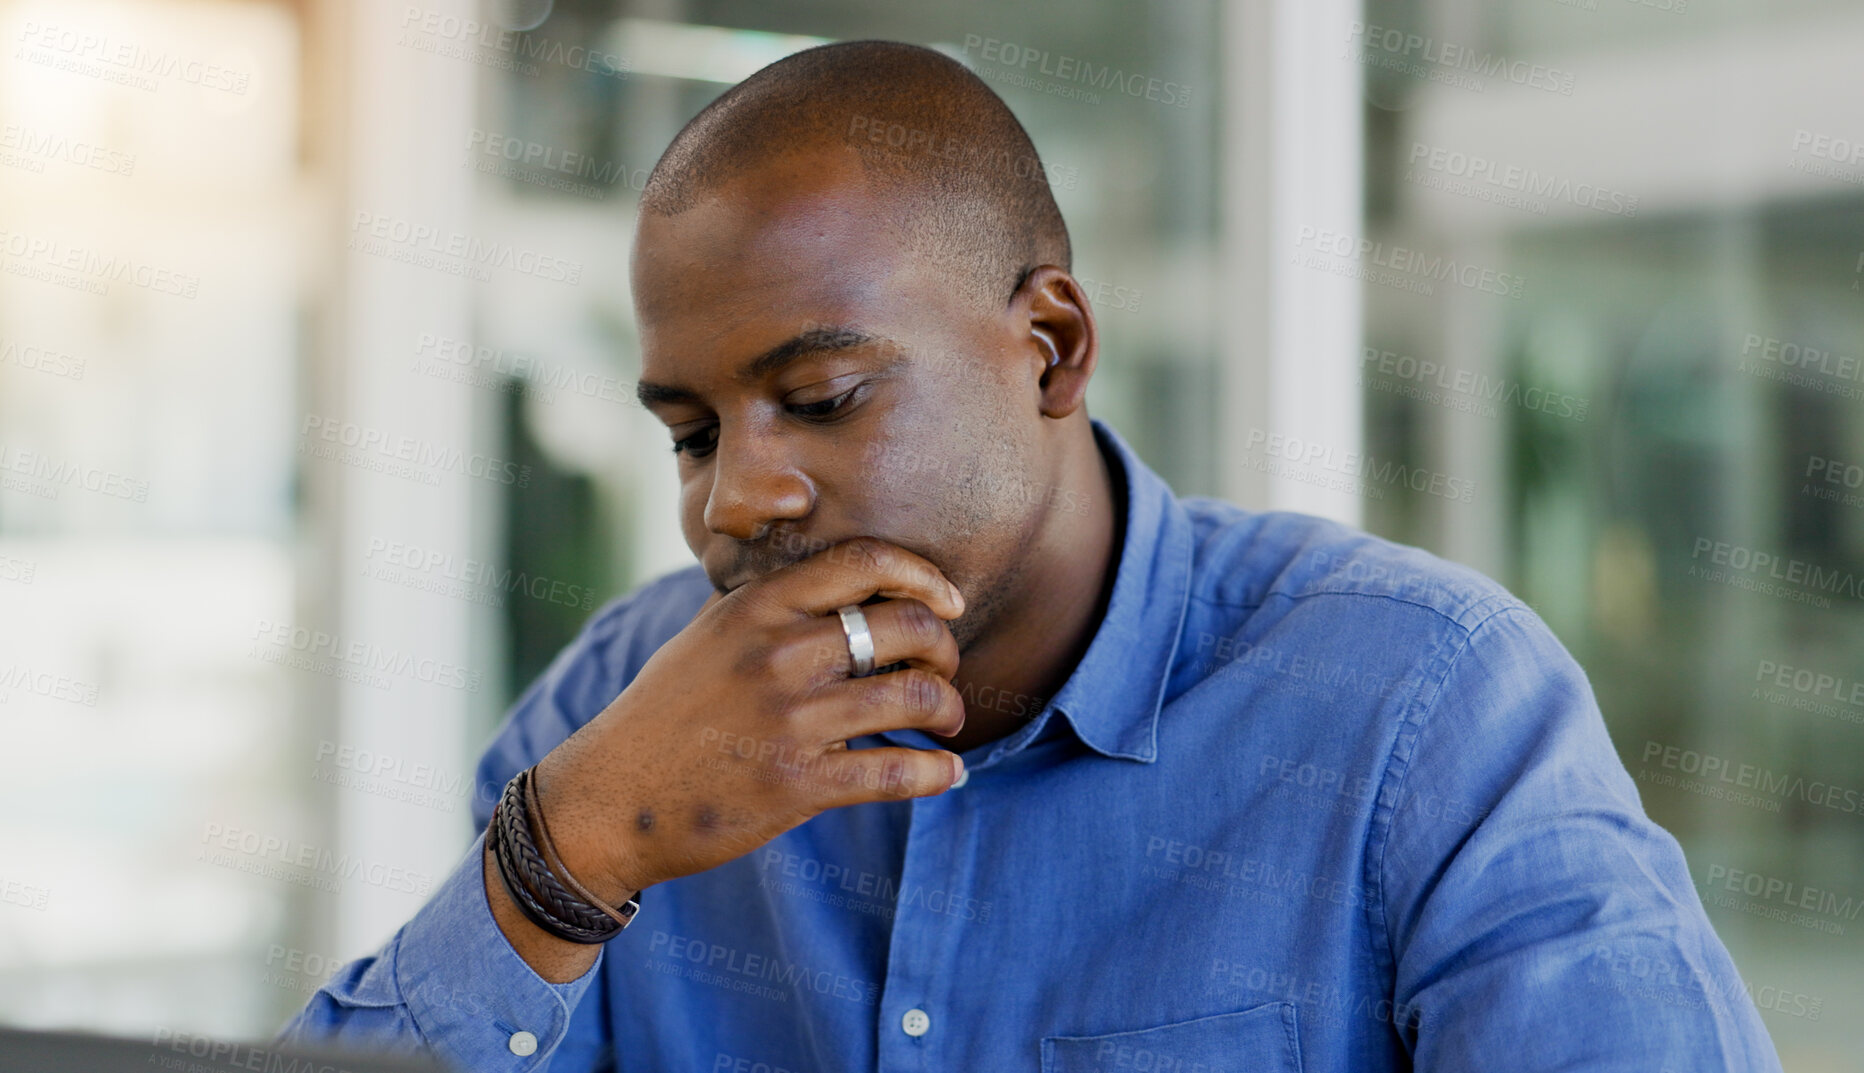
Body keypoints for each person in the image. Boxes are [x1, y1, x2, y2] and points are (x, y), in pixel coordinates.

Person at [281, 39, 1782, 1072]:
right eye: (688, 431)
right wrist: (568, 856)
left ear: (1051, 348)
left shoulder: (1417, 705)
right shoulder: (619, 711)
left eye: (820, 397)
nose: (739, 497)